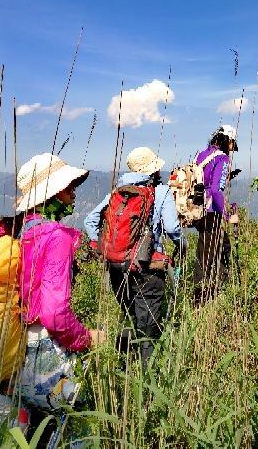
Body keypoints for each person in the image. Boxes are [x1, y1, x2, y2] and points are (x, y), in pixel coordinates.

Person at [12, 153, 105, 417]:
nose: (74, 193)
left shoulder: (20, 233)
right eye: (69, 187)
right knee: (79, 427)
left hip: (11, 352)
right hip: (44, 353)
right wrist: (86, 337)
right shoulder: (56, 237)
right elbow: (53, 313)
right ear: (51, 194)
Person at [84, 146, 181, 368]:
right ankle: (147, 380)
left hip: (118, 267)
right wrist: (182, 247)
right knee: (148, 324)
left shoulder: (118, 192)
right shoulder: (161, 192)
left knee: (131, 317)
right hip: (147, 267)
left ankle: (123, 368)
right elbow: (174, 228)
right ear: (153, 170)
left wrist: (105, 248)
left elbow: (90, 220)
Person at [192, 124, 239, 306]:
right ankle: (203, 300)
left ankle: (213, 292)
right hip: (211, 213)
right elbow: (216, 191)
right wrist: (227, 216)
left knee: (215, 249)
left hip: (197, 210)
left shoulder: (201, 154)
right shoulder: (223, 159)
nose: (232, 149)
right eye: (232, 144)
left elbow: (204, 181)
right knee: (209, 255)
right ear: (228, 141)